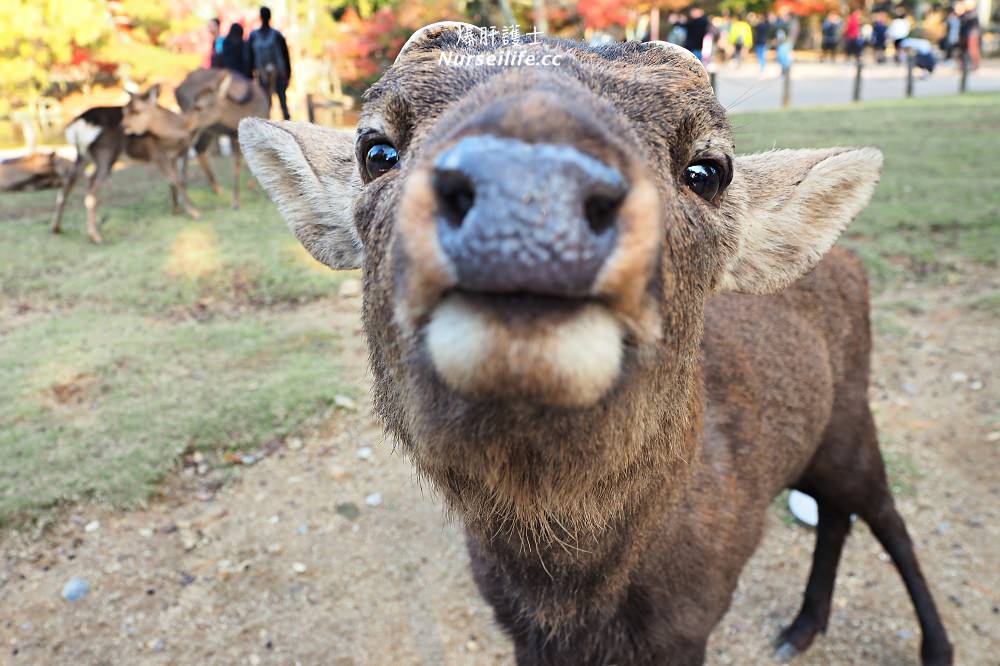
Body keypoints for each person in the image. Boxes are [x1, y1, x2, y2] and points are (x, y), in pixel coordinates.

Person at [248, 6, 292, 120]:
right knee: (276, 103)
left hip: (275, 75)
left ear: (260, 17)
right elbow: (286, 56)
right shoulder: (275, 35)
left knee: (275, 104)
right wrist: (288, 73)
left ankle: (273, 125)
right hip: (268, 75)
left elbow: (250, 58)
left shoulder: (258, 36)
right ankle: (280, 124)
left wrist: (250, 75)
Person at [959, 1, 981, 70]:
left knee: (973, 49)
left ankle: (975, 65)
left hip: (972, 32)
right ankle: (964, 65)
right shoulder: (964, 12)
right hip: (965, 32)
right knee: (963, 49)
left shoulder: (972, 12)